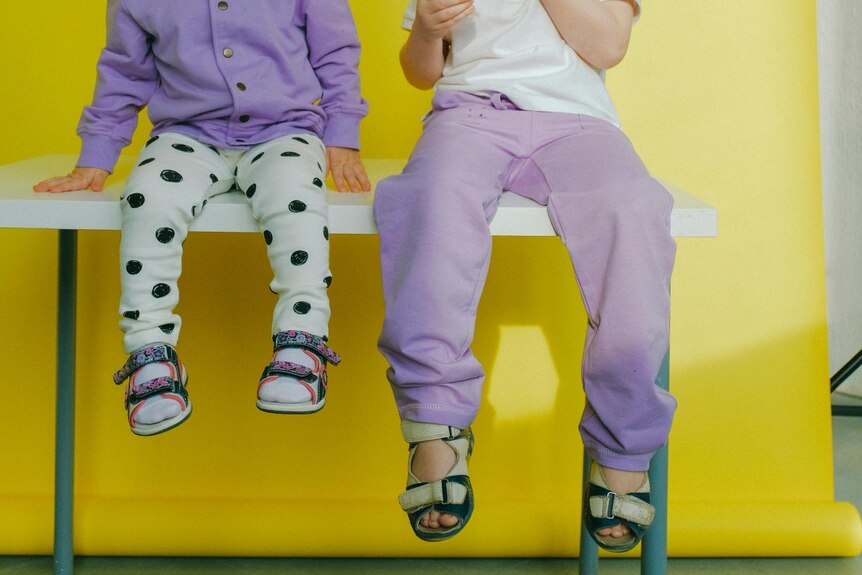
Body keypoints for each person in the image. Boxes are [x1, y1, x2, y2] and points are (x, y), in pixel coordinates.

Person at [374, 0, 676, 550]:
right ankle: (434, 422)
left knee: (633, 211)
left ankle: (622, 446)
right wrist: (424, 28)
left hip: (579, 124)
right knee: (429, 200)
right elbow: (421, 71)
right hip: (468, 115)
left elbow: (608, 46)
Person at [34, 1, 369, 436]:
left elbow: (336, 54)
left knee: (296, 200)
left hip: (284, 131)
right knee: (144, 198)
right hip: (187, 135)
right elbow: (123, 72)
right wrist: (96, 156)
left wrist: (342, 133)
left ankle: (302, 340)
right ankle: (149, 351)